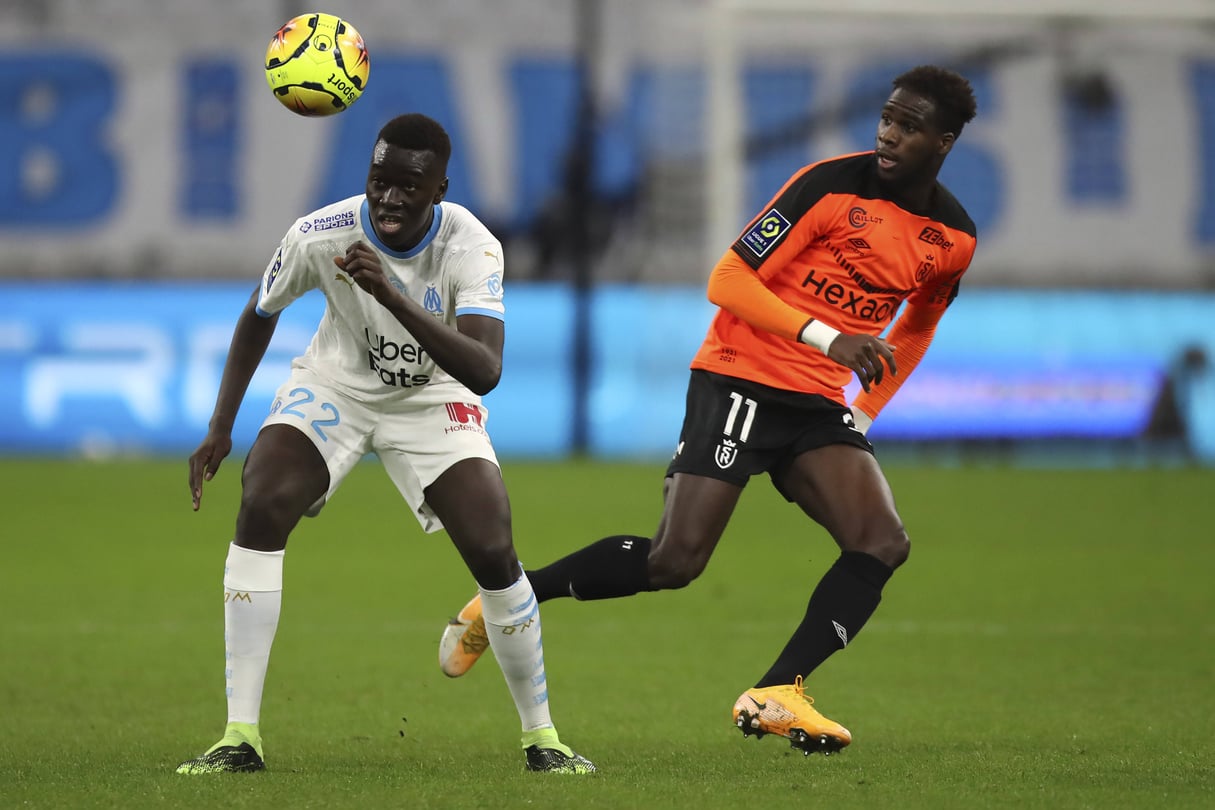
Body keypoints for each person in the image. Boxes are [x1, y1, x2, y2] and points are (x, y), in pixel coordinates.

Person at [437, 66, 979, 755]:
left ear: (945, 140)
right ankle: (507, 599)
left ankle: (778, 690)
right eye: (886, 117)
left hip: (816, 403)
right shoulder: (830, 185)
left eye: (907, 126)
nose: (887, 133)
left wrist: (862, 411)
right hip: (740, 379)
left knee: (881, 541)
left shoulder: (952, 236)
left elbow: (917, 325)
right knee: (675, 562)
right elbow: (725, 279)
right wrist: (827, 336)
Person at [176, 113, 595, 775]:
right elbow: (259, 314)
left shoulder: (472, 245)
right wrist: (220, 427)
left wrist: (392, 294)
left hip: (431, 398)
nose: (389, 198)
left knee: (492, 547)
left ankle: (542, 739)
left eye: (409, 185)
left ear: (440, 189)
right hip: (336, 385)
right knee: (261, 503)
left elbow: (484, 369)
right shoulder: (320, 233)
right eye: (379, 181)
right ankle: (238, 736)